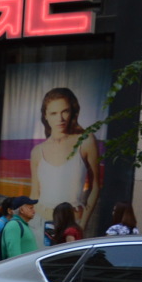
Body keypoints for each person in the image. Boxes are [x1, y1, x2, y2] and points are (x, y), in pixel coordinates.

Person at [29, 87, 101, 235]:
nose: (60, 119)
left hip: (72, 223)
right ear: (46, 116)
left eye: (65, 111)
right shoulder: (37, 151)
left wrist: (82, 225)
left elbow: (95, 186)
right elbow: (34, 194)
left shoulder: (86, 140)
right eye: (54, 113)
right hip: (39, 223)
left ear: (72, 112)